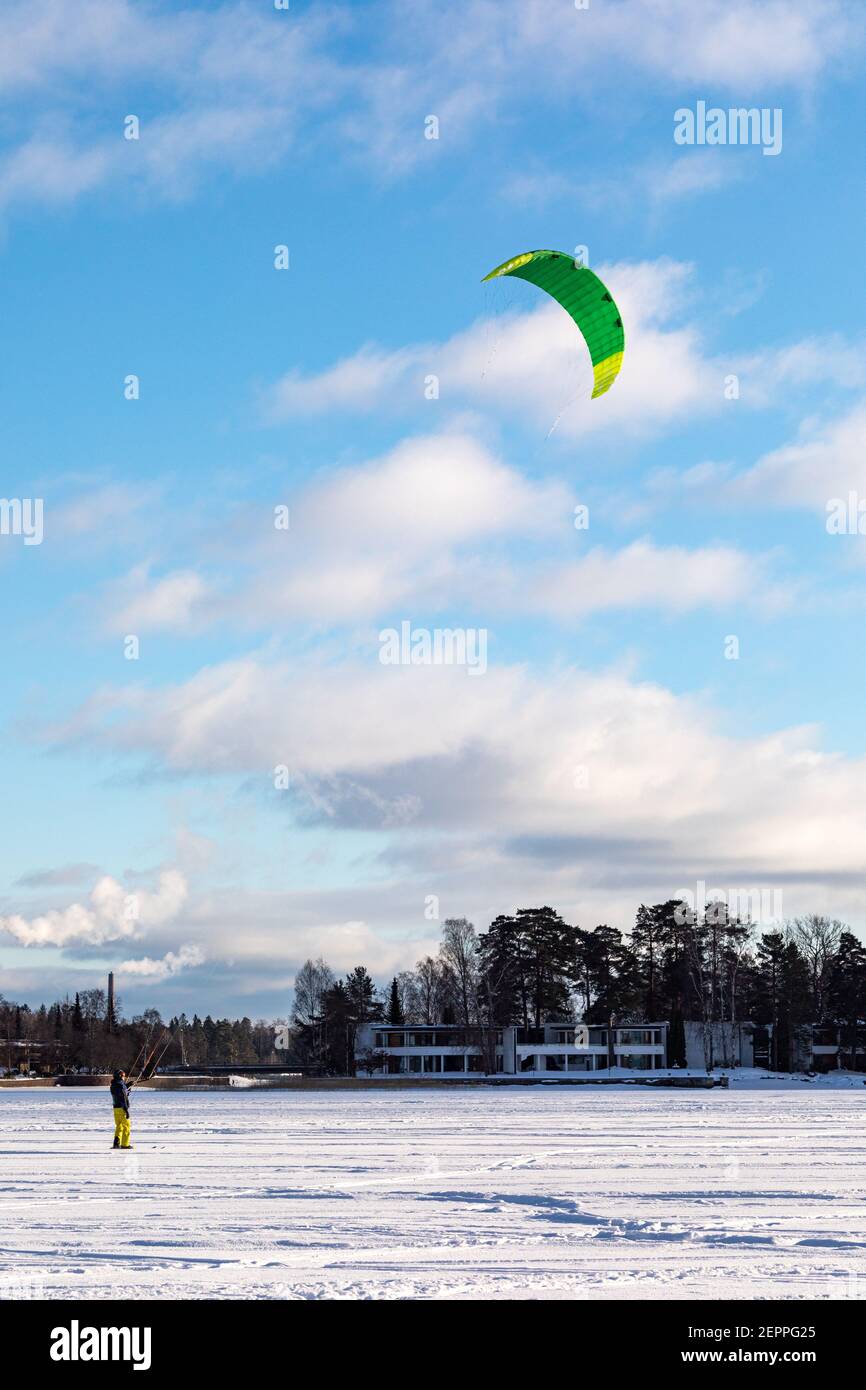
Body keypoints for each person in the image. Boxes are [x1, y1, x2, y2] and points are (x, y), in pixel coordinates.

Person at [110, 1069, 133, 1150]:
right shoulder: (120, 1085)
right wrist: (126, 1110)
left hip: (116, 1108)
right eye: (123, 1076)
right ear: (119, 1076)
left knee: (119, 1126)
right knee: (126, 1126)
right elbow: (122, 1097)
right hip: (122, 1108)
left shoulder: (113, 1084)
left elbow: (122, 1092)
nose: (124, 1077)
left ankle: (116, 1143)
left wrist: (128, 1086)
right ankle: (125, 1144)